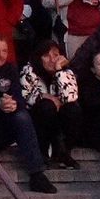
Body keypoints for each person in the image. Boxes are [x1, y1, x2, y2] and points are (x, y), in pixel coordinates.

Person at [0, 32, 60, 193]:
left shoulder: (10, 69)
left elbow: (19, 98)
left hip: (2, 129)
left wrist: (13, 105)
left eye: (4, 51)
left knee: (21, 116)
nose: (1, 55)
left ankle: (37, 174)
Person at [19, 40, 83, 170]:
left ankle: (63, 152)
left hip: (59, 120)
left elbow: (70, 97)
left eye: (55, 55)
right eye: (46, 56)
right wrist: (43, 97)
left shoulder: (67, 73)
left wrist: (59, 71)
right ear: (39, 57)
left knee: (73, 109)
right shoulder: (29, 70)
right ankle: (42, 153)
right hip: (38, 118)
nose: (52, 60)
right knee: (47, 106)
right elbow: (25, 96)